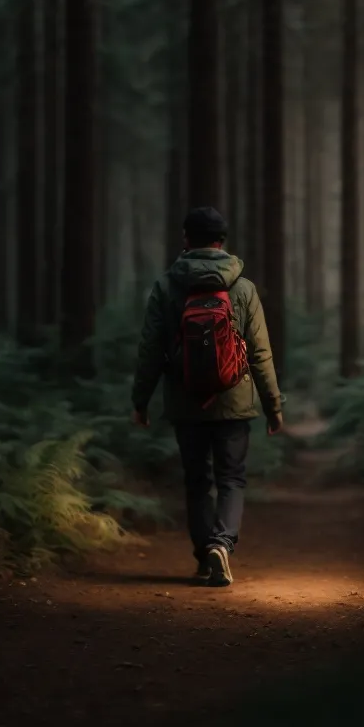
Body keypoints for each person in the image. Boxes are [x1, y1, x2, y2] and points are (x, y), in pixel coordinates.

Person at [130, 206, 285, 587]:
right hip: (234, 400)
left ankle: (204, 555)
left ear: (186, 239)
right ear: (222, 242)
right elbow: (260, 352)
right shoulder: (243, 288)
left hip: (186, 401)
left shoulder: (167, 286)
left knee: (197, 480)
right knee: (231, 477)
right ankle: (222, 544)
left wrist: (141, 399)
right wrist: (273, 406)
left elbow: (151, 349)